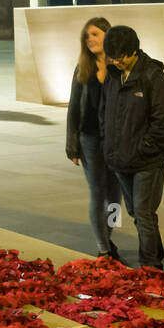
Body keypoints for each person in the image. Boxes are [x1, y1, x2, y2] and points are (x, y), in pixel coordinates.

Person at [100, 25, 164, 269]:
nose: (116, 61)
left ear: (134, 51)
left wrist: (144, 147)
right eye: (112, 57)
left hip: (147, 160)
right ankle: (155, 257)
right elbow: (104, 112)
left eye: (120, 57)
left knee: (143, 213)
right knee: (135, 212)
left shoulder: (152, 76)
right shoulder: (112, 75)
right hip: (120, 158)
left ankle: (151, 266)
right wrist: (107, 141)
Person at [67, 16, 124, 261]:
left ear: (107, 36)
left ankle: (107, 238)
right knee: (97, 192)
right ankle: (103, 249)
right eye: (87, 36)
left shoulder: (119, 68)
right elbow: (73, 107)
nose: (90, 39)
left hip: (116, 139)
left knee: (116, 197)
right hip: (89, 139)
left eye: (95, 34)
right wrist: (72, 143)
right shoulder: (83, 68)